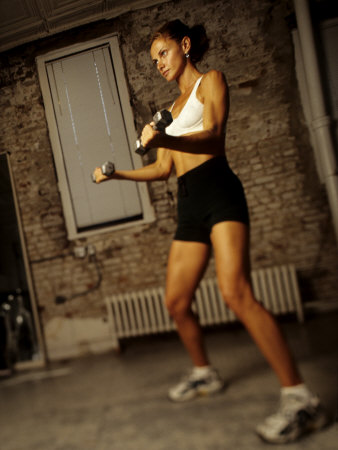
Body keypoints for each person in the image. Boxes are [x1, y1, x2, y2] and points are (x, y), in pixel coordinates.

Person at [93, 19, 327, 444]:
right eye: (153, 60)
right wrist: (118, 176)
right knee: (176, 302)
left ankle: (301, 398)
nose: (158, 64)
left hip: (218, 192)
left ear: (184, 46)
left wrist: (164, 135)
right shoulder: (170, 108)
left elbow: (214, 136)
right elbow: (163, 170)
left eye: (162, 53)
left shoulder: (210, 82)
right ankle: (205, 373)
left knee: (235, 292)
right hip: (188, 203)